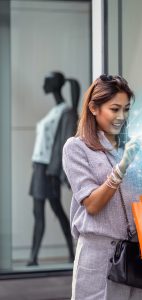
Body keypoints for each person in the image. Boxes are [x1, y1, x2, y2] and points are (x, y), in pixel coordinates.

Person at [62, 74, 142, 299]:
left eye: (127, 109)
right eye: (115, 109)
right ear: (93, 108)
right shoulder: (77, 148)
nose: (122, 116)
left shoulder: (133, 147)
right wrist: (122, 166)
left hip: (137, 254)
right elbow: (92, 204)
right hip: (99, 256)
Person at [28, 71, 79, 266]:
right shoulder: (55, 111)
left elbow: (62, 145)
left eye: (46, 81)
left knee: (55, 210)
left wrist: (55, 171)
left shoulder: (65, 111)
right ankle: (34, 257)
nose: (43, 84)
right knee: (41, 211)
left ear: (54, 85)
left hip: (48, 169)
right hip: (39, 166)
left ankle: (67, 253)